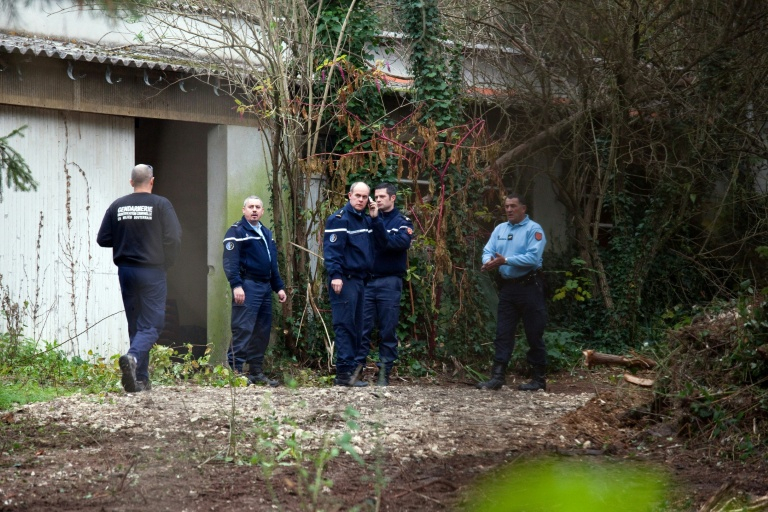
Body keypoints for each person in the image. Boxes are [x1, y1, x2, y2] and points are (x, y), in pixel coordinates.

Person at [97, 164, 182, 393]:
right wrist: (166, 262)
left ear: (131, 181)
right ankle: (133, 357)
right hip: (152, 271)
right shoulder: (161, 204)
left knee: (136, 324)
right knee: (153, 324)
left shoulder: (117, 205)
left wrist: (125, 238)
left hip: (126, 271)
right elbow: (174, 238)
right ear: (151, 181)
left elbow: (103, 238)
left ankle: (140, 379)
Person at [477, 193, 548, 391]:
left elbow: (533, 258)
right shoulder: (500, 229)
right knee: (503, 332)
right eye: (507, 206)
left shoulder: (534, 229)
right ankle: (497, 377)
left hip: (530, 287)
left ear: (523, 208)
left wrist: (505, 260)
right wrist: (488, 262)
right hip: (508, 288)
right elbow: (488, 250)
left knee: (534, 333)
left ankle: (539, 379)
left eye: (513, 206)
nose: (509, 209)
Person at [323, 182, 386, 387]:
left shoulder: (366, 220)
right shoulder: (339, 219)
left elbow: (382, 242)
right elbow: (332, 251)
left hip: (360, 281)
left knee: (358, 327)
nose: (361, 200)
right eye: (357, 195)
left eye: (364, 197)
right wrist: (335, 275)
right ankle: (343, 374)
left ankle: (351, 372)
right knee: (345, 325)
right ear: (349, 195)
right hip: (344, 280)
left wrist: (375, 218)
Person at [222, 196, 287, 386]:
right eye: (250, 207)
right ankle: (235, 372)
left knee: (262, 330)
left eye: (258, 207)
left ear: (263, 211)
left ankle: (256, 372)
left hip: (265, 287)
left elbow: (272, 264)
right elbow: (230, 261)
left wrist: (278, 287)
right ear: (244, 210)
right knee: (243, 328)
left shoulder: (266, 232)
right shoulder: (236, 231)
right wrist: (236, 285)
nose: (254, 210)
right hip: (247, 285)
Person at [357, 183, 414, 386]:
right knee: (362, 327)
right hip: (368, 281)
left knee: (388, 329)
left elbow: (396, 244)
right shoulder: (368, 219)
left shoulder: (402, 222)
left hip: (390, 282)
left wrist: (377, 223)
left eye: (382, 196)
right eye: (376, 196)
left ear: (393, 198)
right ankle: (357, 370)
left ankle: (384, 373)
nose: (378, 200)